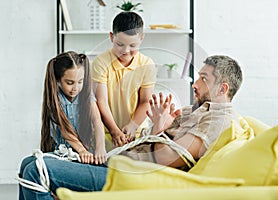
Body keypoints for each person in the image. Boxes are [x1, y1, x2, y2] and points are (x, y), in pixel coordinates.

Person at [18, 55, 243, 200]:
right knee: (28, 163)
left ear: (222, 89)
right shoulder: (192, 111)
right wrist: (157, 127)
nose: (195, 83)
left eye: (204, 78)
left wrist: (156, 134)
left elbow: (171, 157)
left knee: (37, 171)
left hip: (134, 175)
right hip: (125, 162)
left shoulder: (220, 119)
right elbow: (161, 147)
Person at [91, 11, 157, 149]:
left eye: (133, 46)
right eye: (120, 44)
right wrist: (114, 130)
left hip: (137, 131)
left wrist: (133, 125)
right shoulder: (100, 63)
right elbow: (101, 101)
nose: (126, 50)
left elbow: (145, 101)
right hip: (106, 132)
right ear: (111, 37)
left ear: (141, 39)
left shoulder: (147, 64)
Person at [40, 51, 107, 165]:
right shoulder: (55, 98)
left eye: (80, 82)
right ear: (58, 80)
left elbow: (97, 120)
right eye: (70, 83)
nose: (75, 88)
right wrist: (81, 150)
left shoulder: (86, 94)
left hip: (86, 152)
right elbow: (65, 129)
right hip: (62, 153)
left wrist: (101, 147)